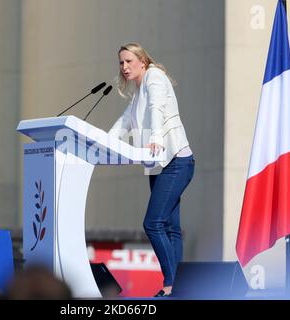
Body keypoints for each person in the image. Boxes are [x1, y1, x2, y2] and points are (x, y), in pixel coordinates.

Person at [108, 43, 195, 297]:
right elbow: (124, 122)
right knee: (169, 227)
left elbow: (156, 107)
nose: (124, 67)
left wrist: (155, 136)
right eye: (121, 63)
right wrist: (101, 143)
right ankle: (180, 287)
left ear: (143, 61)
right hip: (159, 165)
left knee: (153, 223)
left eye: (129, 61)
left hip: (176, 161)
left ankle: (170, 285)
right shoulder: (137, 93)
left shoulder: (154, 76)